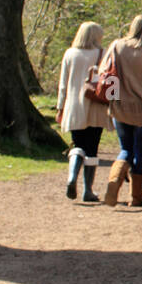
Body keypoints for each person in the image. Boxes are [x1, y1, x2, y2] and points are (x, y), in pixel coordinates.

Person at [103, 15, 142, 208]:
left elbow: (105, 72)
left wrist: (112, 99)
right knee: (141, 150)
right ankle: (137, 196)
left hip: (120, 105)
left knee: (125, 149)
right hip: (141, 110)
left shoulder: (117, 46)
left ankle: (114, 181)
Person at [56, 21, 113, 203]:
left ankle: (72, 177)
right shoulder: (102, 54)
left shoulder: (70, 54)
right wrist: (115, 103)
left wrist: (60, 108)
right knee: (92, 148)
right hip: (97, 106)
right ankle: (88, 190)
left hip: (74, 106)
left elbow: (63, 85)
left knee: (77, 144)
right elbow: (111, 80)